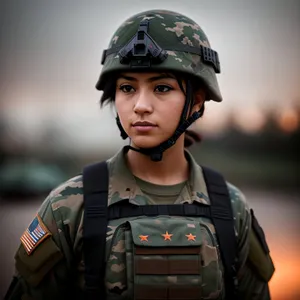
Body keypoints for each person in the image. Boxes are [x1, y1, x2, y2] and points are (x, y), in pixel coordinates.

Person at [4, 9, 275, 300]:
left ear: (196, 101)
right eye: (127, 88)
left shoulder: (230, 208)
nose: (141, 105)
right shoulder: (69, 207)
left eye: (162, 87)